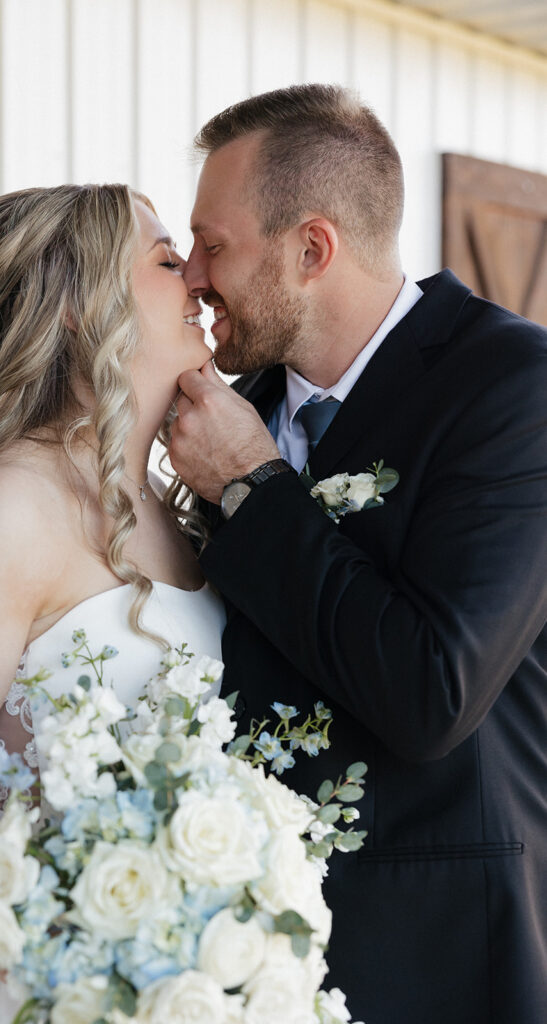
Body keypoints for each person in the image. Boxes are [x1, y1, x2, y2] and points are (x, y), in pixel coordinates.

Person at [167, 84, 547, 1024]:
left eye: (212, 246)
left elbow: (431, 691)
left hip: (444, 952)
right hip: (237, 950)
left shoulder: (513, 390)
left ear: (310, 249)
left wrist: (255, 491)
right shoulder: (231, 410)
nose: (192, 279)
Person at [0, 183, 224, 1024]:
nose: (200, 282)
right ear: (77, 308)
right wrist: (80, 977)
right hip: (22, 985)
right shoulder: (6, 509)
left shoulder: (175, 511)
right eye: (167, 262)